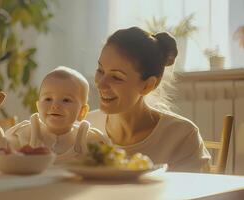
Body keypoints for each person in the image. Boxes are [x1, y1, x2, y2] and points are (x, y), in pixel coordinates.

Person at [86, 27, 211, 172]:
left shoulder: (182, 136)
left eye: (116, 77)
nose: (100, 84)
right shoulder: (83, 128)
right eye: (100, 71)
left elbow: (192, 192)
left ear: (147, 85)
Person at [0, 66, 111, 162]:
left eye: (66, 100)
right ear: (38, 107)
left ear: (82, 112)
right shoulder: (27, 133)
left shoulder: (89, 140)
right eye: (48, 99)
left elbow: (109, 163)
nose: (55, 105)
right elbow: (0, 150)